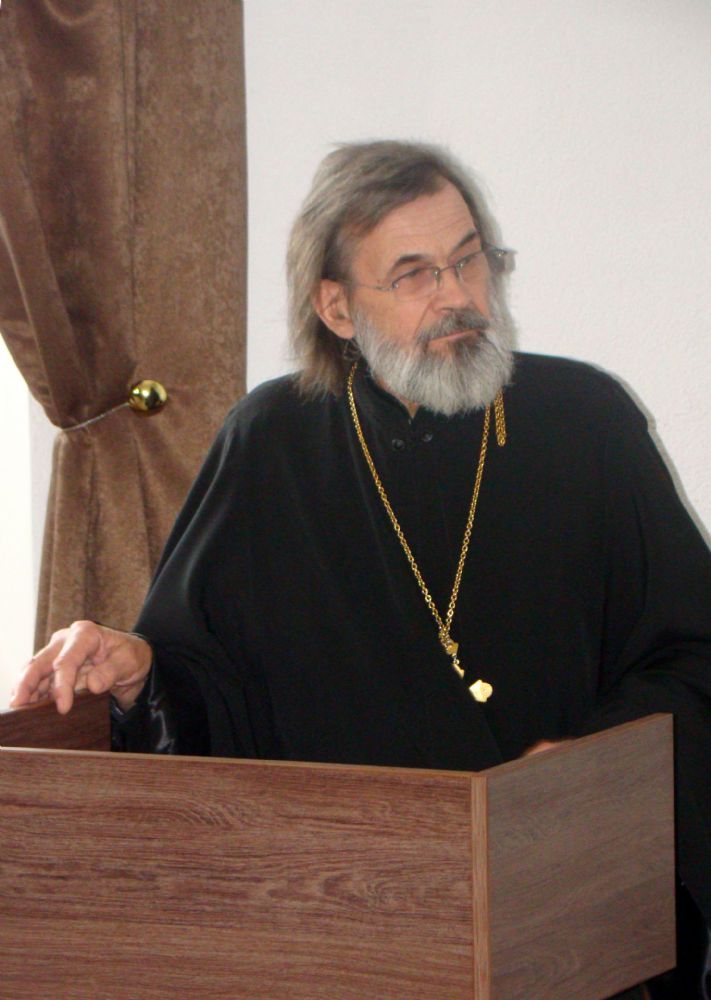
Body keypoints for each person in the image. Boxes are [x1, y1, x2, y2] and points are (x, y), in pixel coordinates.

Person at [12, 140, 711, 998]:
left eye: (468, 260)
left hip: (565, 914)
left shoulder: (585, 421)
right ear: (336, 308)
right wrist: (141, 671)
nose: (457, 296)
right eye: (413, 275)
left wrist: (585, 768)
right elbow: (215, 697)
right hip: (345, 929)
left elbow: (692, 656)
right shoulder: (270, 442)